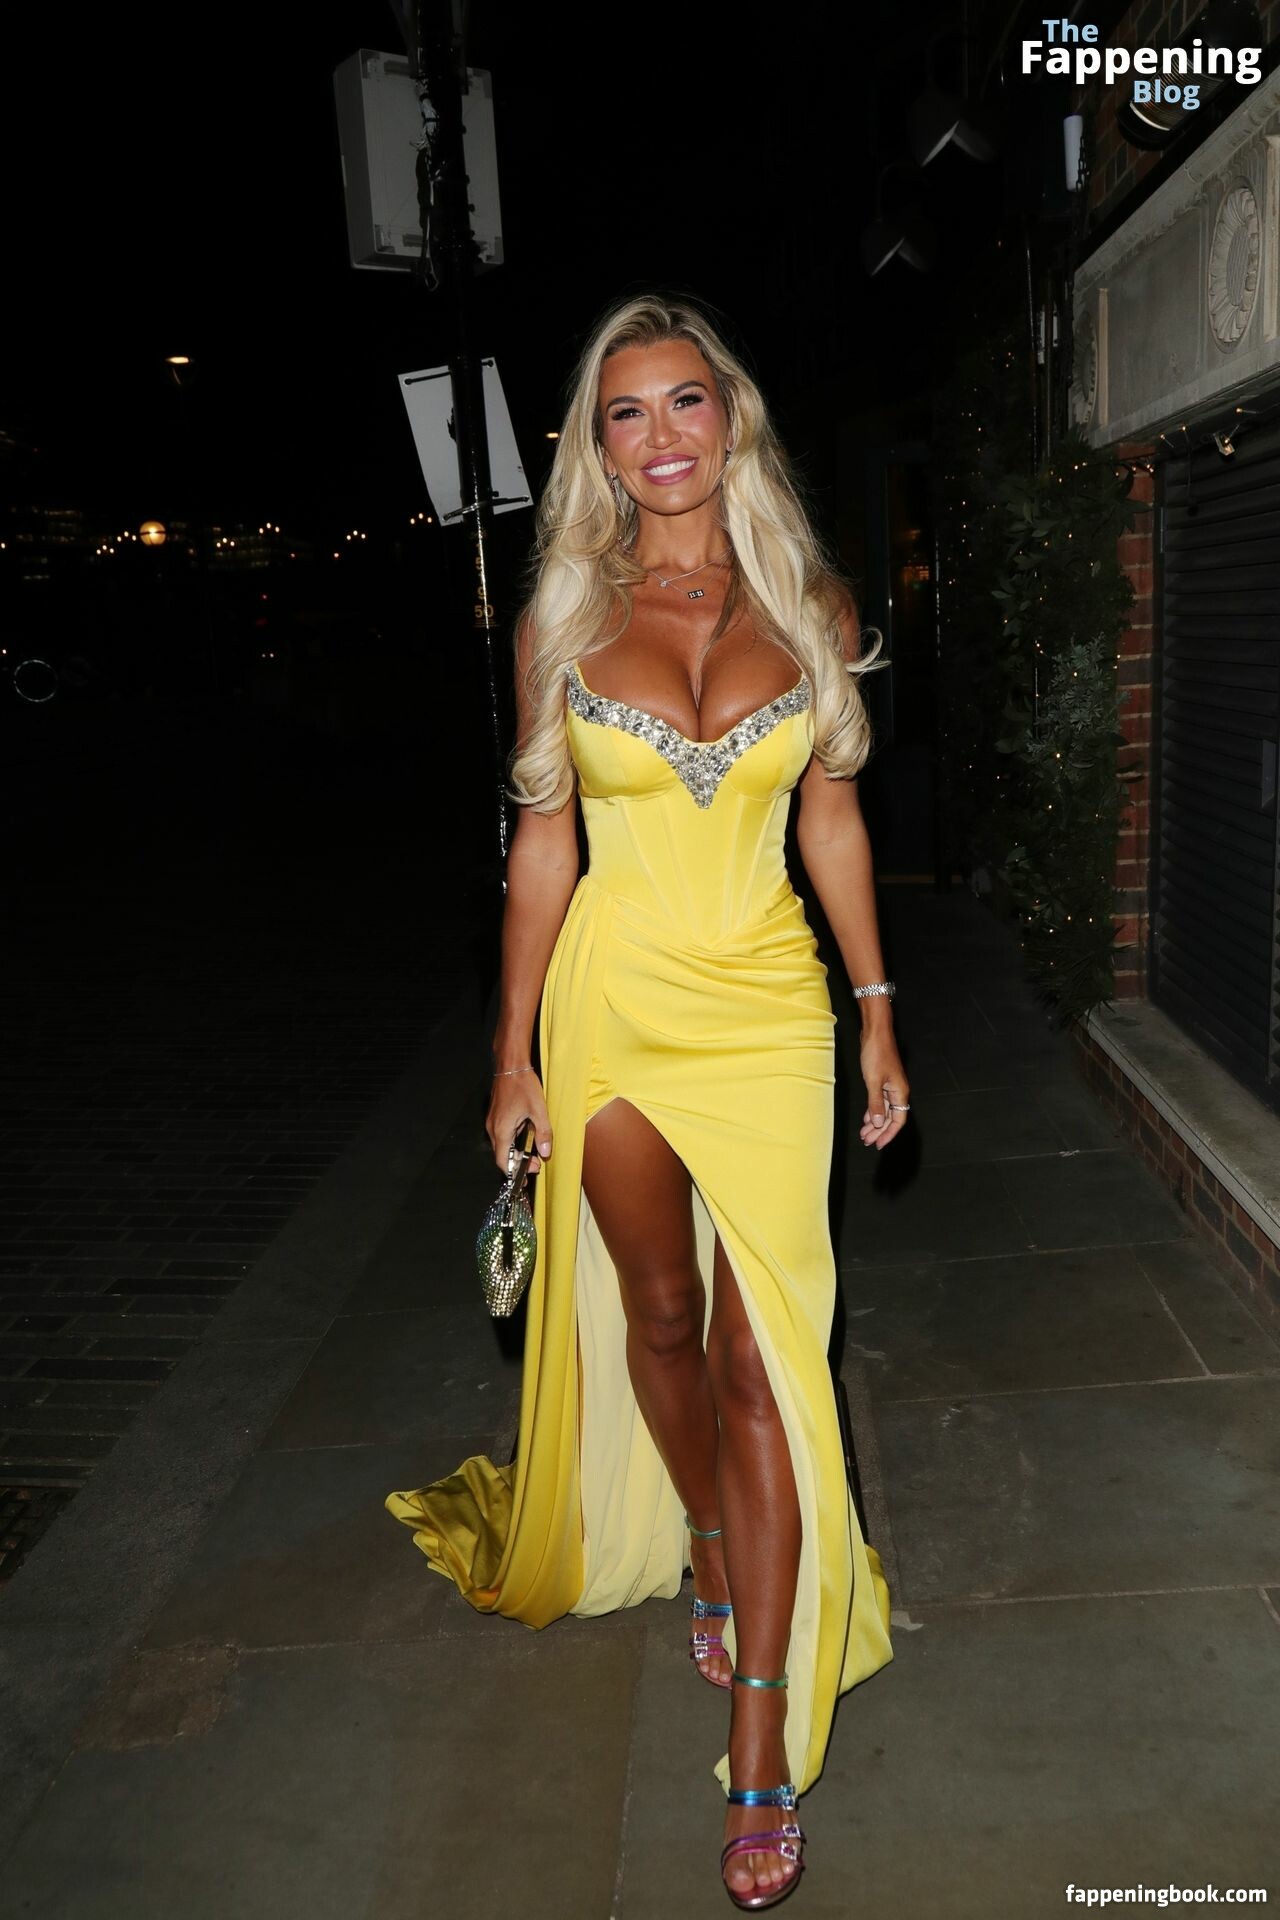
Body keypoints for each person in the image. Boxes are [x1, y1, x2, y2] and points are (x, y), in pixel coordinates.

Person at [386, 292, 910, 1911]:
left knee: (768, 1356)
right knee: (665, 1316)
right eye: (628, 411)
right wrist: (512, 1052)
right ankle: (704, 1530)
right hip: (612, 1001)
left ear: (729, 417)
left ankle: (760, 1736)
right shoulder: (562, 612)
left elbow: (831, 821)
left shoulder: (806, 597)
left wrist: (877, 1013)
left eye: (687, 400)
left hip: (768, 1007)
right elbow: (544, 843)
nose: (663, 434)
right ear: (598, 449)